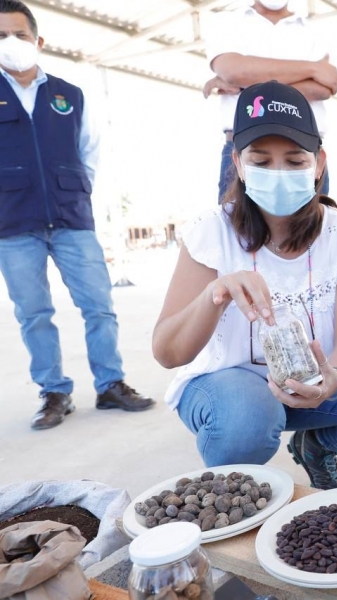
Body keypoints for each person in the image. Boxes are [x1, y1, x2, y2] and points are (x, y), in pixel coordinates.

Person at [153, 82, 337, 488]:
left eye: (295, 161)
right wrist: (215, 295)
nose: (278, 174)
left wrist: (334, 378)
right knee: (247, 420)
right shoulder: (211, 232)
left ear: (319, 164)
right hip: (229, 385)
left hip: (313, 376)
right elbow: (167, 352)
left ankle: (317, 445)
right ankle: (234, 493)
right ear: (238, 164)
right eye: (261, 161)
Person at [0, 0, 154, 431]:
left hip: (72, 219)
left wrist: (75, 194)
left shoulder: (69, 94)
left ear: (38, 41)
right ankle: (54, 393)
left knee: (99, 306)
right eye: (1, 36)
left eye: (19, 34)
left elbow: (89, 152)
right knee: (34, 313)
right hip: (13, 224)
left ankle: (110, 384)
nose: (10, 42)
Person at [203, 0, 337, 202]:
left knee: (311, 221)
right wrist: (313, 69)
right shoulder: (225, 22)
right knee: (238, 221)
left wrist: (244, 87)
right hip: (245, 148)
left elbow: (325, 87)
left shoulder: (318, 31)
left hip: (304, 153)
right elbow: (233, 70)